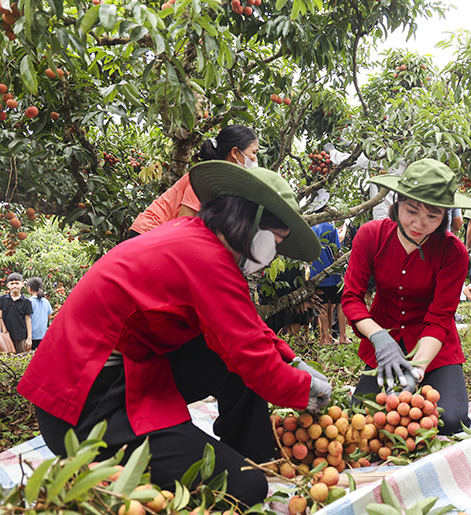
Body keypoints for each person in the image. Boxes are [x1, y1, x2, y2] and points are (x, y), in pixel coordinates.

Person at [18, 162, 331, 509]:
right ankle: (248, 475)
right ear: (251, 222)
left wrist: (292, 360)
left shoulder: (196, 239)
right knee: (244, 488)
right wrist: (301, 389)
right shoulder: (206, 260)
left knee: (230, 366)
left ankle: (256, 458)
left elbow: (246, 326)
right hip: (87, 407)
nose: (273, 252)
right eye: (275, 240)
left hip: (119, 374)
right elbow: (249, 355)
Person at [342, 158, 471, 435]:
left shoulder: (453, 252)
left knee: (450, 421)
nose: (419, 223)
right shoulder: (370, 236)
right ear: (397, 203)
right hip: (385, 338)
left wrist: (417, 370)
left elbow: (441, 316)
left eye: (433, 216)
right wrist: (379, 337)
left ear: (444, 217)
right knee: (366, 418)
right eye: (412, 210)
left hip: (434, 345)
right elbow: (352, 298)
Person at [128, 125, 259, 237]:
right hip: (149, 232)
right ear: (235, 152)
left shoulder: (223, 182)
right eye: (254, 152)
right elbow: (183, 224)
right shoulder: (207, 177)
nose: (255, 159)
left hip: (158, 235)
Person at [309, 190, 349, 345]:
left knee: (324, 305)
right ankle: (343, 337)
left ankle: (325, 338)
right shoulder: (330, 228)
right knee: (339, 303)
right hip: (332, 272)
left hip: (317, 273)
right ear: (325, 210)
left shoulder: (311, 229)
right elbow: (336, 251)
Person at [0, 272, 33, 354]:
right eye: (12, 283)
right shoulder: (2, 299)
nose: (14, 286)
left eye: (17, 283)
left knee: (20, 358)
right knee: (6, 359)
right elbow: (0, 317)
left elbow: (28, 319)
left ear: (22, 284)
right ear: (8, 285)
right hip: (5, 336)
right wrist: (4, 331)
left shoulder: (26, 302)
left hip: (20, 336)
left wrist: (29, 338)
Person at [26, 277, 53, 350]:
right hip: (43, 334)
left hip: (31, 336)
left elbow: (26, 318)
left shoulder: (28, 302)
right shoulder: (46, 301)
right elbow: (49, 316)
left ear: (29, 288)